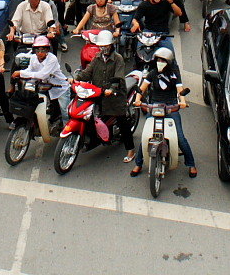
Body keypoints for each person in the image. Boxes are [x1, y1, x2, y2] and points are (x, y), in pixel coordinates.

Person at [130, 47, 197, 178]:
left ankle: (191, 164)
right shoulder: (153, 73)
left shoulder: (174, 74)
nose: (160, 62)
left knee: (180, 138)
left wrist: (182, 102)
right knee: (146, 137)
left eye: (163, 60)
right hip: (154, 107)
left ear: (169, 62)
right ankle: (138, 163)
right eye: (158, 60)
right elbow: (142, 88)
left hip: (171, 107)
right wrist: (138, 100)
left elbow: (180, 90)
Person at [74, 29, 135, 161]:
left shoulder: (118, 59)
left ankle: (131, 150)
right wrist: (76, 78)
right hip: (99, 94)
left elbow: (118, 78)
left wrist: (112, 88)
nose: (103, 49)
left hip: (115, 96)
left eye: (106, 46)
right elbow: (87, 72)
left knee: (122, 122)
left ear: (112, 45)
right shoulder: (97, 58)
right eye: (101, 46)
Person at [12, 35, 71, 120]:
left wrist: (21, 73)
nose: (40, 53)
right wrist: (20, 73)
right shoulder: (33, 58)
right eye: (37, 50)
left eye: (43, 50)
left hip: (60, 88)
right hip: (45, 87)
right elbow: (30, 70)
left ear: (47, 50)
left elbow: (43, 75)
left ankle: (67, 132)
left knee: (65, 113)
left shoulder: (52, 59)